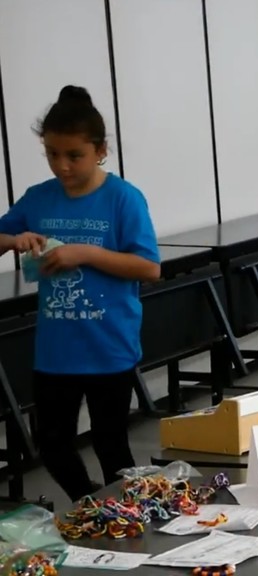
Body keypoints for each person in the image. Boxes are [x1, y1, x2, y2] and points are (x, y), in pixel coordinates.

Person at [0, 86, 160, 502]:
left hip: (109, 347)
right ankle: (91, 503)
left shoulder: (123, 198)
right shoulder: (39, 198)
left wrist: (85, 253)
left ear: (101, 150)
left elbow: (149, 267)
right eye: (52, 154)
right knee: (53, 446)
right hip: (56, 352)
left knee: (112, 446)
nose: (62, 166)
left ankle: (129, 517)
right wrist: (13, 240)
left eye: (74, 156)